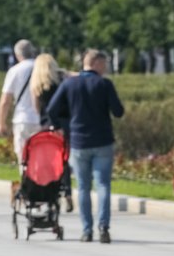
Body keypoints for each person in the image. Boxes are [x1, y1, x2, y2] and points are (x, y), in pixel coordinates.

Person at [47, 49, 125, 243]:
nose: (105, 68)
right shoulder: (104, 84)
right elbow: (118, 112)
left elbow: (51, 109)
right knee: (103, 185)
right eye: (104, 64)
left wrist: (57, 126)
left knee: (82, 187)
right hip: (103, 141)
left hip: (79, 142)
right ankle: (103, 226)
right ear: (96, 63)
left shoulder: (69, 84)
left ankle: (87, 230)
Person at [30, 52, 73, 211]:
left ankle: (49, 192)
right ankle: (67, 193)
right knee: (64, 160)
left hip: (46, 126)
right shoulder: (61, 82)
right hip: (63, 125)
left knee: (49, 162)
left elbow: (36, 108)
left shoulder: (37, 85)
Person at [0, 39, 41, 163]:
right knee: (40, 157)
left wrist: (1, 123)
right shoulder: (40, 67)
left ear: (17, 54)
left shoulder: (15, 71)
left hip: (23, 119)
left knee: (24, 158)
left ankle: (26, 181)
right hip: (41, 119)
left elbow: (6, 100)